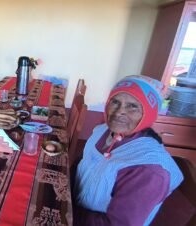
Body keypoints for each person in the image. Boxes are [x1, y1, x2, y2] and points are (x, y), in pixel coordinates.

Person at [73, 75, 183, 226]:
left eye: (133, 106)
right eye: (115, 102)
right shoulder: (102, 130)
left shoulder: (149, 170)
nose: (119, 112)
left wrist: (66, 210)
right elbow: (83, 164)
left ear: (148, 114)